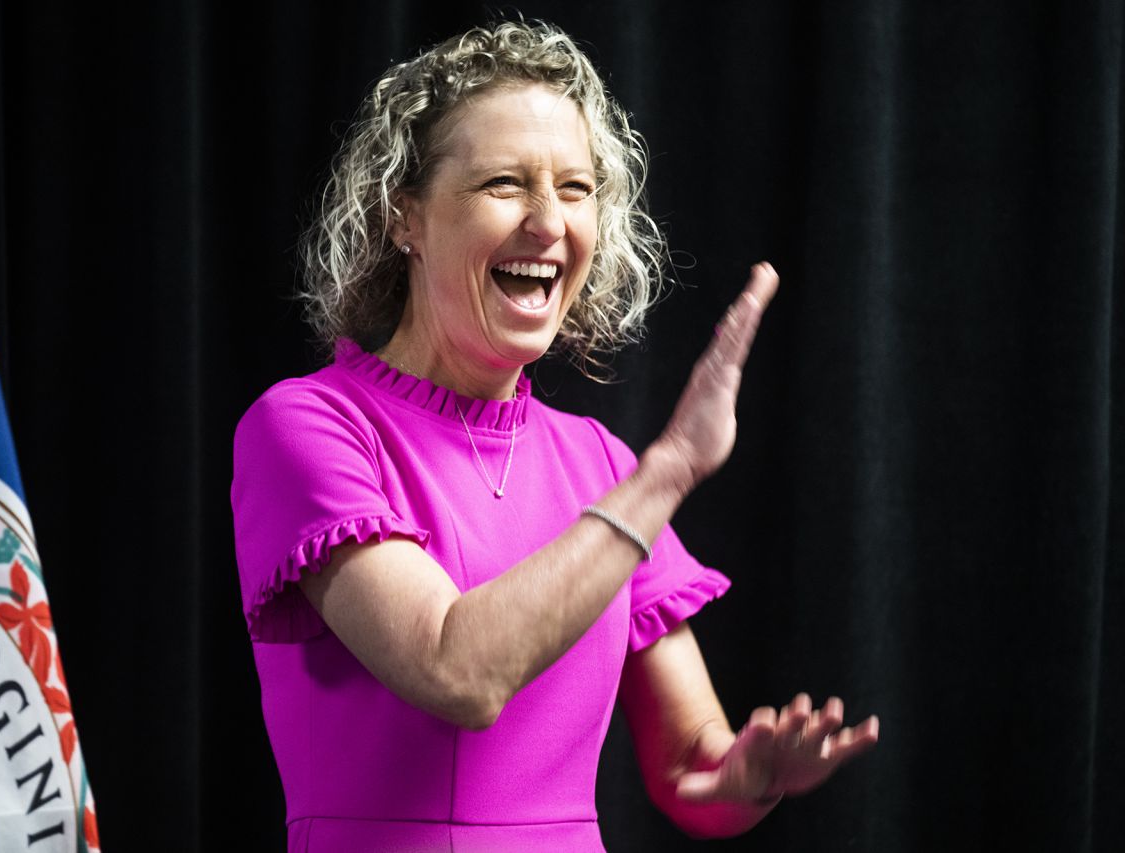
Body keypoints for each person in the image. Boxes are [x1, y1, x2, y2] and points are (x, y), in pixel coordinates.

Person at [232, 20, 878, 852]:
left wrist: (750, 777)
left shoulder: (599, 463)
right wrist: (671, 470)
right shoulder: (309, 425)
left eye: (575, 189)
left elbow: (692, 768)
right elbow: (455, 670)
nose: (548, 222)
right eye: (505, 182)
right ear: (406, 217)